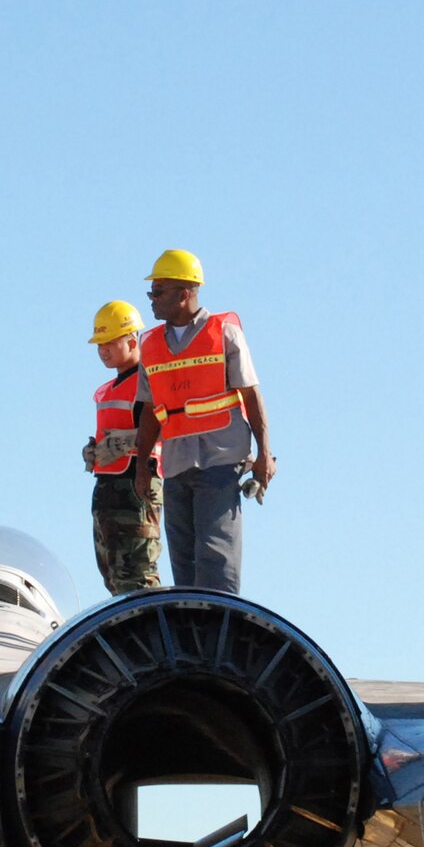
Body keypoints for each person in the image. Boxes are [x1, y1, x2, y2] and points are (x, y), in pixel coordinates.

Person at [132, 250, 275, 593]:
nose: (152, 300)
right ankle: (192, 638)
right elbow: (151, 412)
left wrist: (264, 453)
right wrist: (140, 467)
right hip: (177, 464)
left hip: (221, 459)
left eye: (159, 291)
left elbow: (252, 396)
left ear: (185, 293)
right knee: (184, 562)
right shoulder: (150, 345)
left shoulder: (223, 332)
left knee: (215, 557)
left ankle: (219, 632)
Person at [83, 300, 163, 595]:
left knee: (137, 574)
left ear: (132, 341)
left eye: (110, 342)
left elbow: (166, 428)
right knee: (114, 576)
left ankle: (152, 630)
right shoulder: (109, 389)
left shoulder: (149, 381)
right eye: (99, 344)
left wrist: (125, 442)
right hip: (108, 488)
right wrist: (95, 450)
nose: (103, 350)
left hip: (135, 487)